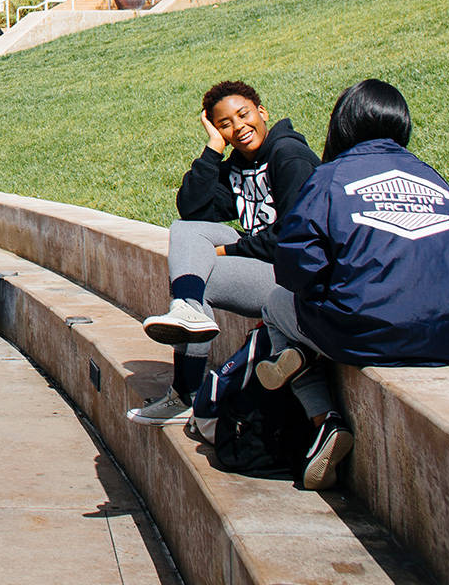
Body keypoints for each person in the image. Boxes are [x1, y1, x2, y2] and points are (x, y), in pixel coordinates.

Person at [257, 79, 449, 490]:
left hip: (364, 334)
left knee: (275, 304)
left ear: (341, 126)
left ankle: (312, 398)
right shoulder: (434, 179)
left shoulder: (329, 178)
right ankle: (298, 358)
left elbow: (294, 267)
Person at [127, 81, 320, 425]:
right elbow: (192, 209)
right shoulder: (238, 167)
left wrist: (229, 249)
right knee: (185, 236)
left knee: (201, 282)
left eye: (243, 115)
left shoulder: (289, 156)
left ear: (262, 112)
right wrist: (213, 150)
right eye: (225, 124)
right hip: (266, 269)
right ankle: (185, 312)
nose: (238, 127)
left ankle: (184, 395)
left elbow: (294, 238)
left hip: (297, 280)